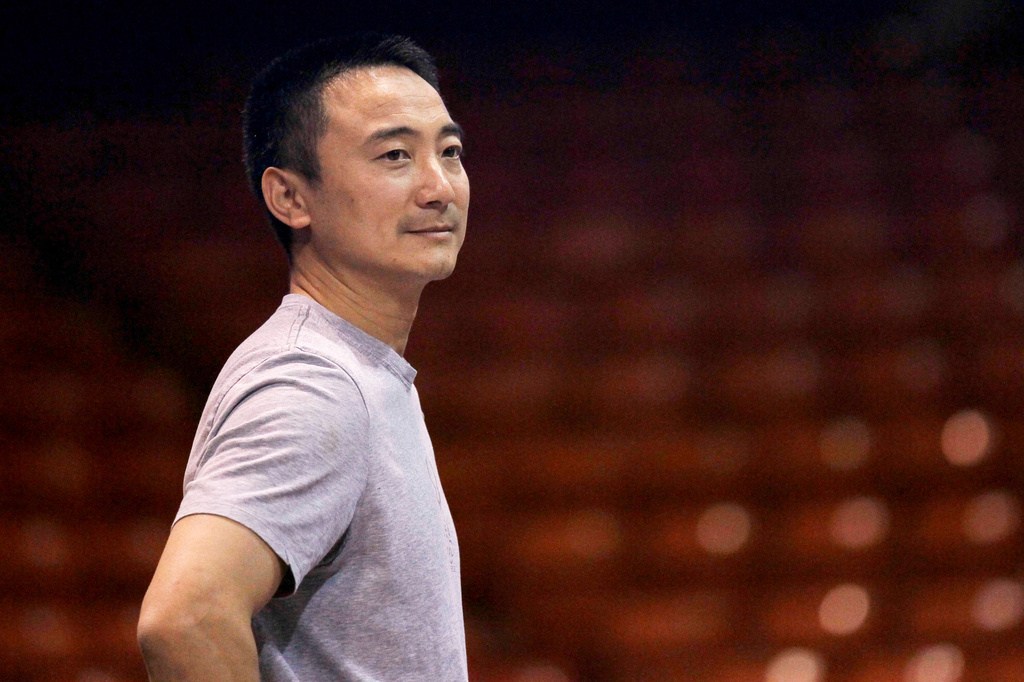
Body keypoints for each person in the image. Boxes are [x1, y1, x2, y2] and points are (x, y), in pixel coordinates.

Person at [136, 33, 470, 681]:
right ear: (290, 197)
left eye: (450, 152)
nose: (439, 187)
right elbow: (185, 620)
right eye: (396, 155)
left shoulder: (355, 368)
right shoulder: (313, 383)